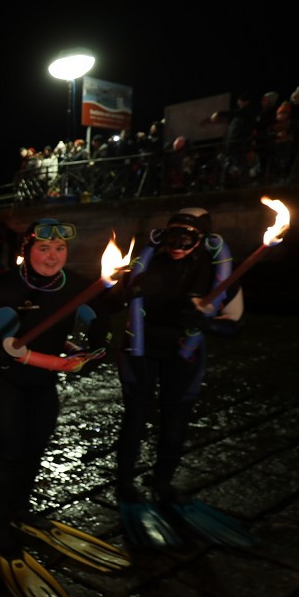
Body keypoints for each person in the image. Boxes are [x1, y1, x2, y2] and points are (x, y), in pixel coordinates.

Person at [0, 218, 128, 597]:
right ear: (28, 250)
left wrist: (84, 350)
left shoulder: (79, 285)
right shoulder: (7, 285)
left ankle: (19, 511)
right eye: (44, 249)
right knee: (9, 448)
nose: (52, 257)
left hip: (40, 375)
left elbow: (100, 331)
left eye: (59, 250)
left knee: (37, 444)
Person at [111, 208, 252, 550]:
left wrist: (208, 324)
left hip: (184, 353)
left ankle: (163, 484)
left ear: (202, 240)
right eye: (173, 237)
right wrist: (122, 291)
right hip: (140, 351)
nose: (177, 246)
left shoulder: (220, 273)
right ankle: (126, 484)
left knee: (175, 423)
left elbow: (234, 324)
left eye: (186, 240)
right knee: (135, 418)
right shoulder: (147, 264)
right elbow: (109, 299)